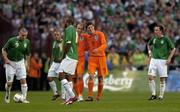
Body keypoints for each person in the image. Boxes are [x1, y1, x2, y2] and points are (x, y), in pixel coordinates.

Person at [2, 27, 31, 103]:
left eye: (25, 35)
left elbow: (28, 54)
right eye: (22, 35)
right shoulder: (12, 40)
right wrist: (6, 59)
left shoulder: (27, 42)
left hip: (20, 62)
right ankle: (7, 94)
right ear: (19, 33)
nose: (24, 37)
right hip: (10, 63)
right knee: (9, 84)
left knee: (23, 80)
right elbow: (3, 50)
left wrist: (27, 63)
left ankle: (24, 98)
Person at [147, 25, 176, 100]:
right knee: (150, 77)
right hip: (153, 60)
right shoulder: (153, 38)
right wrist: (150, 53)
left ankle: (161, 96)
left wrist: (169, 58)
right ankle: (153, 94)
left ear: (161, 31)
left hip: (162, 61)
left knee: (162, 79)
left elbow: (173, 49)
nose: (155, 31)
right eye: (154, 30)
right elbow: (148, 44)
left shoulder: (166, 39)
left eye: (156, 30)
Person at [85, 22, 108, 101]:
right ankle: (90, 96)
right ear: (87, 30)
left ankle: (98, 96)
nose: (90, 29)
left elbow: (104, 45)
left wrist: (97, 50)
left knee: (100, 78)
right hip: (92, 59)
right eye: (88, 28)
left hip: (101, 58)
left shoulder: (100, 34)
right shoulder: (87, 37)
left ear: (93, 27)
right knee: (91, 76)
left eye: (91, 27)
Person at [58, 17, 78, 105]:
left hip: (69, 56)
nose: (64, 23)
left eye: (64, 21)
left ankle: (72, 96)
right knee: (68, 76)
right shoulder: (74, 30)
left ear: (67, 22)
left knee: (61, 74)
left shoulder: (69, 29)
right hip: (74, 56)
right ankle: (70, 99)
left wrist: (63, 55)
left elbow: (68, 43)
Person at [47, 29, 63, 101]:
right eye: (55, 35)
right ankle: (56, 93)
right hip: (54, 63)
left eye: (57, 35)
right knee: (49, 78)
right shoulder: (54, 43)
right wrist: (50, 63)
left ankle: (65, 95)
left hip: (61, 63)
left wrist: (62, 59)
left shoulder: (63, 43)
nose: (56, 36)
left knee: (62, 79)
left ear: (60, 35)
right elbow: (52, 54)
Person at [75, 23, 89, 102]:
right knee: (73, 79)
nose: (79, 30)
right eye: (78, 28)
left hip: (81, 59)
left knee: (79, 76)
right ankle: (77, 95)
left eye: (80, 28)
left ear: (82, 30)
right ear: (76, 28)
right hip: (72, 60)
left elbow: (92, 37)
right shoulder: (72, 37)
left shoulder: (84, 36)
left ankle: (80, 95)